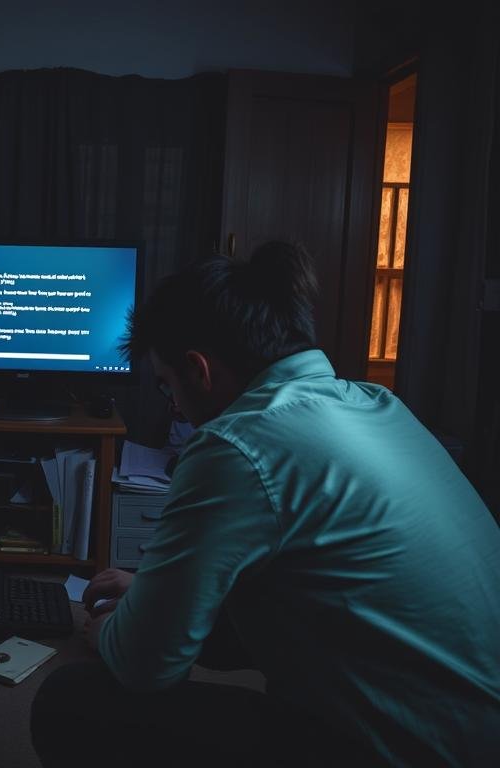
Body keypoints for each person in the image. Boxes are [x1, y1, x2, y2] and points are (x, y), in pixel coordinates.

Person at [30, 241, 500, 767]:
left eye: (167, 387)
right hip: (475, 732)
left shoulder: (235, 445)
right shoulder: (377, 404)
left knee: (69, 701)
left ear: (199, 370)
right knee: (240, 614)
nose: (175, 405)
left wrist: (113, 634)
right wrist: (152, 594)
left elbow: (147, 668)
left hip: (406, 751)